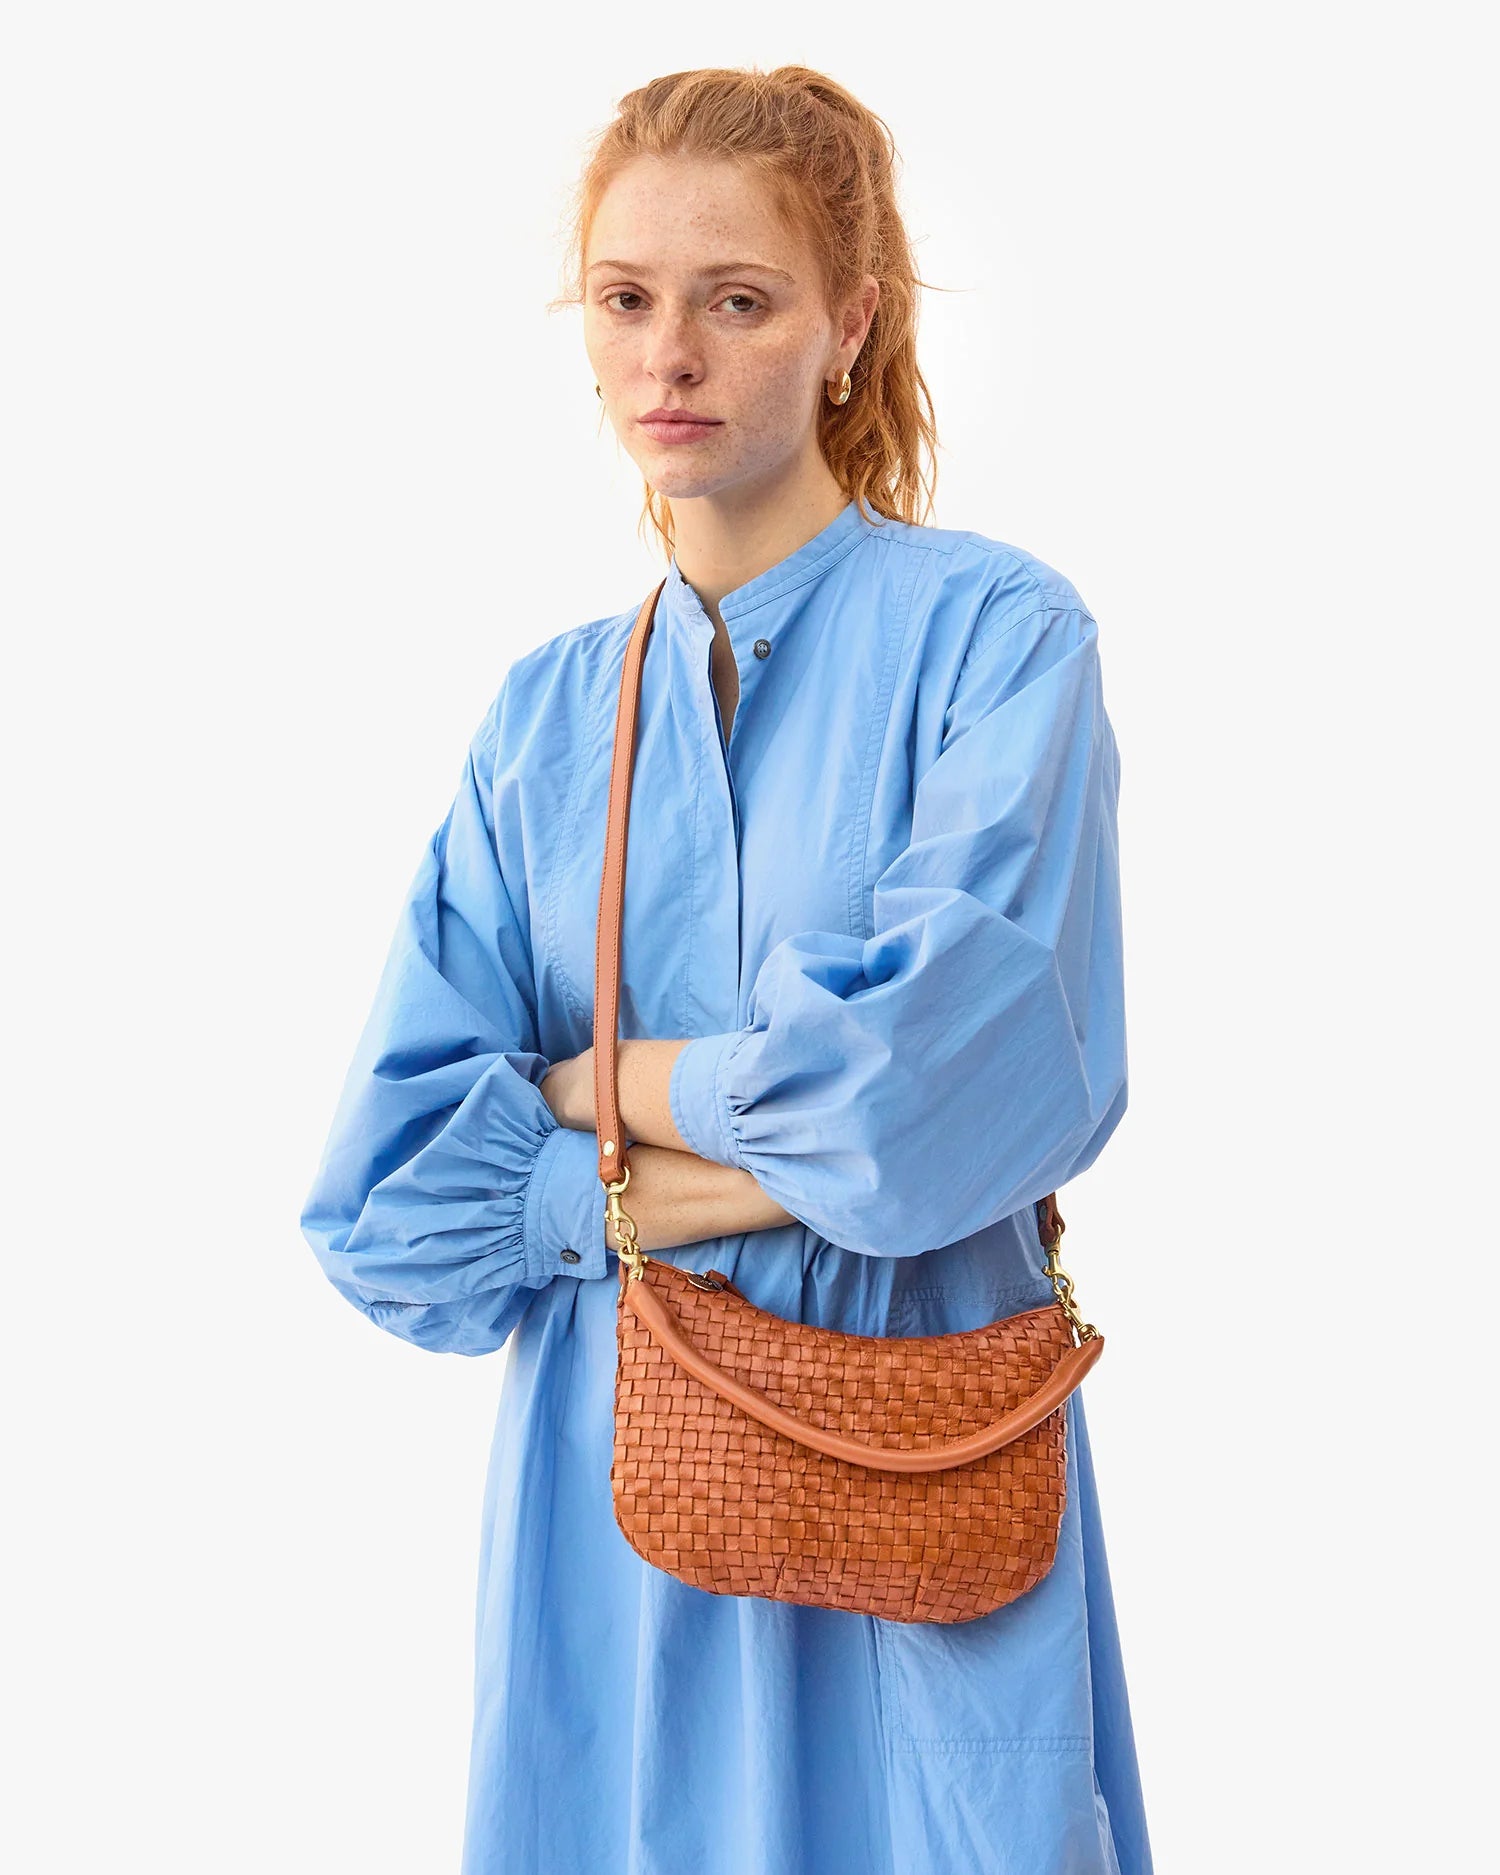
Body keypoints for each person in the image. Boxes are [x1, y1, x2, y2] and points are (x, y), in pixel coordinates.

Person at [300, 63, 1153, 1875]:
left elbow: (943, 1091)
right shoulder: (544, 721)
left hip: (922, 1508)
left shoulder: (999, 641)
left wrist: (590, 1094)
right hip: (612, 1536)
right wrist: (753, 1181)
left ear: (850, 324)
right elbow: (384, 1207)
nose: (666, 353)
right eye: (625, 300)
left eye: (735, 299)